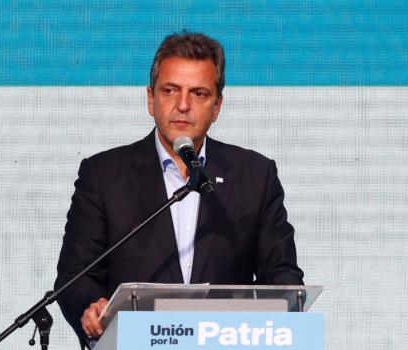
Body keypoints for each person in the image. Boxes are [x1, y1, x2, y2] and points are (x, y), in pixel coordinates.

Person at [55, 31, 304, 347]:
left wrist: (281, 315)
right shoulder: (104, 175)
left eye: (199, 93)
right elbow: (76, 278)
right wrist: (90, 307)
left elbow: (281, 275)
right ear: (151, 99)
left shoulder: (255, 175)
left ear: (217, 106)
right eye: (170, 90)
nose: (183, 105)